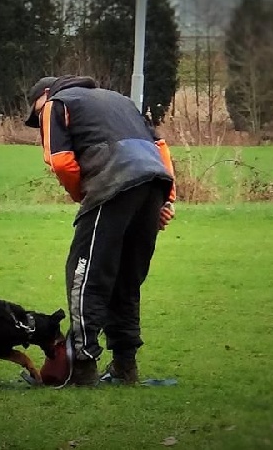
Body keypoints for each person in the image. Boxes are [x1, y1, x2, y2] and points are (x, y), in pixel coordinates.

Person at [24, 75, 176, 386]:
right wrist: (165, 201)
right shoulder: (121, 101)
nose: (39, 120)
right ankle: (124, 366)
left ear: (46, 95)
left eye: (36, 112)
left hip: (112, 183)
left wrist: (85, 195)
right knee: (126, 279)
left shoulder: (56, 104)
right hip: (153, 183)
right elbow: (160, 148)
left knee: (85, 276)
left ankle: (81, 367)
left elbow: (61, 161)